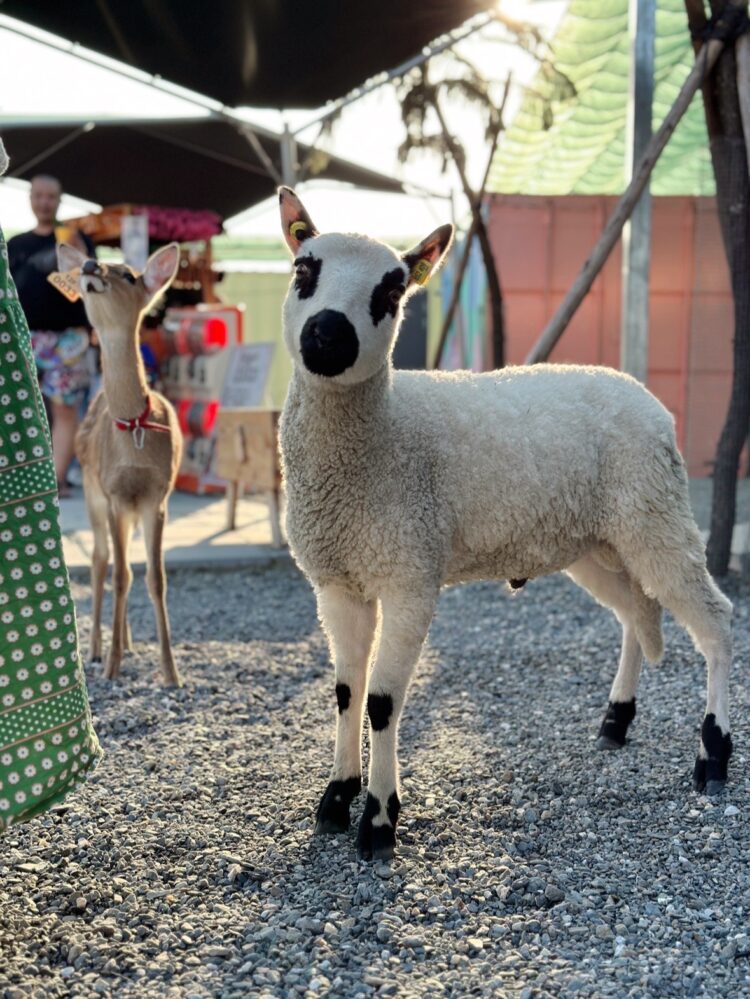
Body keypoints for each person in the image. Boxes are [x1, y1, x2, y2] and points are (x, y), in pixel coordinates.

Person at [7, 175, 96, 496]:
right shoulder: (16, 244)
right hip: (24, 337)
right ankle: (21, 478)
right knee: (21, 409)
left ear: (59, 201)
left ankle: (54, 480)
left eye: (51, 197)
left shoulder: (74, 238)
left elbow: (89, 287)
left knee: (65, 408)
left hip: (69, 338)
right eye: (39, 196)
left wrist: (82, 257)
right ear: (31, 199)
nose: (44, 202)